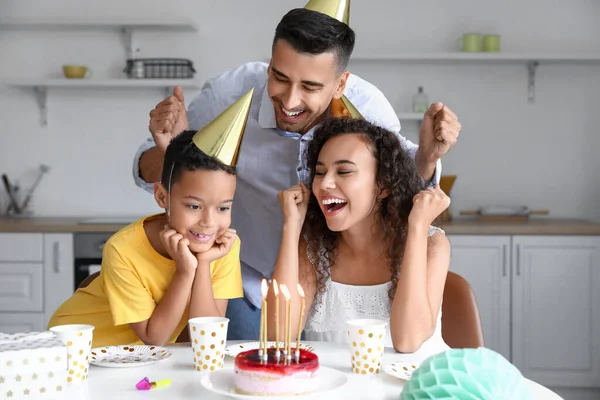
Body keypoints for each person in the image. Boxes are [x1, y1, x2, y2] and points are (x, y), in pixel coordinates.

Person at [132, 5, 461, 340]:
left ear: (340, 84)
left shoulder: (369, 108)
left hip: (332, 275)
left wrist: (428, 158)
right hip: (248, 281)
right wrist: (171, 149)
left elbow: (401, 185)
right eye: (280, 77)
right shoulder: (228, 94)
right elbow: (155, 173)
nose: (290, 100)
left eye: (310, 86)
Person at [48, 92, 253, 347]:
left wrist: (202, 265)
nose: (209, 222)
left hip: (142, 360)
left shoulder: (223, 247)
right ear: (162, 196)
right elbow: (154, 337)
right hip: (80, 349)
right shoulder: (123, 249)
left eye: (223, 208)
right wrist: (185, 270)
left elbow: (207, 339)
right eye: (194, 206)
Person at [268, 117, 451, 354]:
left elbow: (408, 341)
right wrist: (292, 227)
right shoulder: (313, 246)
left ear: (383, 185)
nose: (324, 184)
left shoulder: (431, 243)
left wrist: (416, 227)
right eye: (320, 172)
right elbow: (278, 336)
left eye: (344, 171)